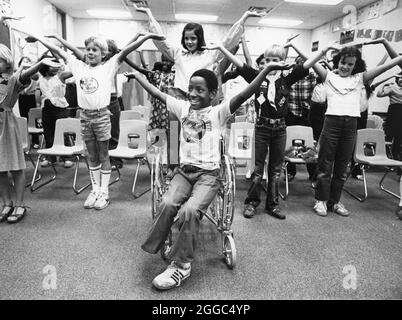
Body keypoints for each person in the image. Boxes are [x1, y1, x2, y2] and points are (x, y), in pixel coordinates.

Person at [125, 61, 293, 290]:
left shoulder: (218, 112)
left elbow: (249, 91)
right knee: (167, 202)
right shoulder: (182, 108)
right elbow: (156, 92)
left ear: (213, 94)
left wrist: (266, 69)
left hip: (209, 175)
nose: (193, 93)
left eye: (200, 90)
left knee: (190, 210)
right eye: (191, 89)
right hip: (183, 173)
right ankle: (162, 242)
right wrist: (137, 76)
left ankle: (181, 265)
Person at [28, 31, 166, 210]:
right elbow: (59, 51)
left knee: (103, 154)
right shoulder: (78, 67)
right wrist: (42, 37)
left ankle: (104, 193)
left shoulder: (108, 67)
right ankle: (94, 190)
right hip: (85, 116)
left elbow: (125, 51)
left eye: (95, 50)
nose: (91, 52)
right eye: (88, 49)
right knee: (90, 155)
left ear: (103, 54)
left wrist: (146, 38)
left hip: (101, 116)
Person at [205, 42, 310, 220]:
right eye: (267, 60)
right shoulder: (257, 77)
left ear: (282, 61)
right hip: (262, 127)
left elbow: (308, 63)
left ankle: (273, 205)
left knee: (276, 169)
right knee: (258, 169)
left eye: (275, 60)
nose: (270, 63)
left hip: (280, 128)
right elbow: (240, 64)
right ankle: (251, 203)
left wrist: (311, 49)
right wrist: (222, 49)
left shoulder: (287, 78)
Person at [303, 44, 402, 217]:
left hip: (350, 125)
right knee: (326, 165)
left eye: (350, 64)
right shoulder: (328, 76)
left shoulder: (359, 78)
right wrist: (324, 50)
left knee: (343, 167)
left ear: (355, 65)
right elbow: (308, 60)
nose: (345, 67)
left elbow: (387, 65)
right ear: (337, 61)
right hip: (331, 123)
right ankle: (321, 200)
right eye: (343, 62)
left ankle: (335, 201)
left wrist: (388, 46)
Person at [136, 6, 264, 99]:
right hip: (178, 97)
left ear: (199, 39)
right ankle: (175, 137)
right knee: (175, 133)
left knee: (200, 134)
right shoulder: (178, 53)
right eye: (186, 38)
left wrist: (244, 18)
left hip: (201, 100)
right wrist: (149, 15)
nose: (189, 42)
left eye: (193, 38)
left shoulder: (209, 53)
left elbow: (228, 42)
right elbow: (161, 41)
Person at [0, 44, 50, 223]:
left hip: (6, 123)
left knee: (15, 167)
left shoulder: (13, 78)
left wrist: (40, 62)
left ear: (7, 62)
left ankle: (19, 204)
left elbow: (26, 75)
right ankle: (6, 203)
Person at [37, 57, 74, 168]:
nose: (56, 68)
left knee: (63, 132)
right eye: (53, 66)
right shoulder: (41, 77)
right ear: (46, 67)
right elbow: (30, 71)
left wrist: (62, 59)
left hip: (60, 108)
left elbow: (75, 71)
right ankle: (50, 158)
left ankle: (67, 157)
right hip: (46, 108)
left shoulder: (60, 76)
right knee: (48, 133)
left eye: (57, 66)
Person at [377, 73, 402, 164]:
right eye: (400, 78)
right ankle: (385, 158)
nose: (401, 80)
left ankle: (395, 160)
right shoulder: (392, 88)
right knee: (389, 136)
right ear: (397, 79)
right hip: (394, 113)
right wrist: (384, 85)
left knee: (399, 138)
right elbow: (379, 94)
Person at [17, 56, 41, 148]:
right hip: (22, 98)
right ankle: (25, 141)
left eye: (28, 61)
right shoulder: (18, 75)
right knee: (24, 119)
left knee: (33, 119)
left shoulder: (34, 75)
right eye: (24, 62)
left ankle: (35, 141)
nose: (26, 63)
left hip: (31, 97)